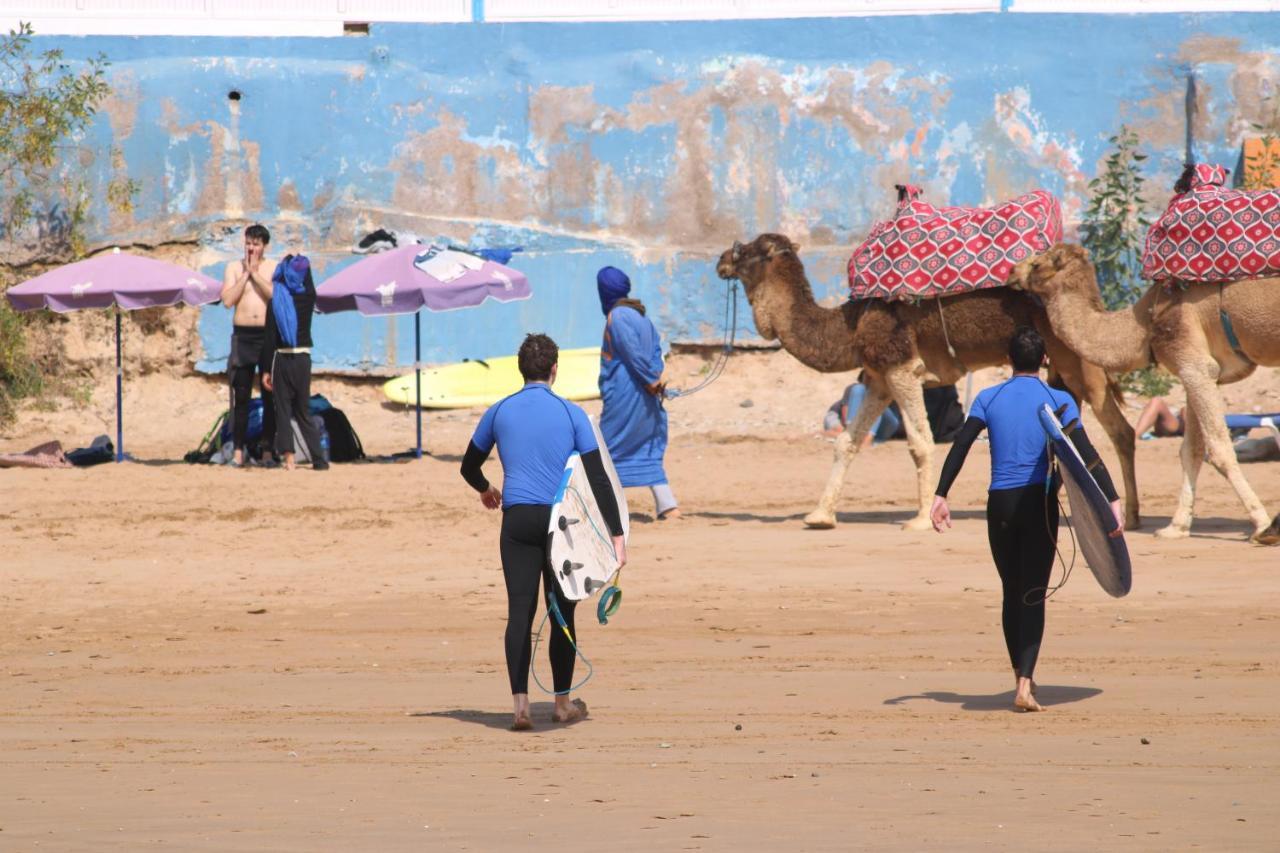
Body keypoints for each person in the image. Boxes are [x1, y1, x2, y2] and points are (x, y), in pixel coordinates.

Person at [929, 327, 1124, 713]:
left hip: (998, 506)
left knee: (1010, 590)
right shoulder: (1058, 399)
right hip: (1039, 504)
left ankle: (1020, 672)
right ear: (1045, 360)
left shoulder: (988, 397)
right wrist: (1112, 502)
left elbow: (961, 444)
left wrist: (941, 494)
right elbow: (1086, 454)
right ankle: (1024, 685)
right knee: (1033, 593)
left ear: (1007, 359)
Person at [460, 334, 626, 731]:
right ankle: (561, 705)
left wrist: (487, 490)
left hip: (516, 521)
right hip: (560, 526)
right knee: (562, 611)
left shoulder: (498, 411)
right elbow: (599, 479)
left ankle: (520, 708)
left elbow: (468, 466)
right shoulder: (571, 414)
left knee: (520, 613)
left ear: (522, 370)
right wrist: (616, 537)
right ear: (554, 369)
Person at [596, 266, 681, 519]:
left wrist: (649, 381)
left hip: (626, 396)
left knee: (607, 449)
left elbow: (632, 353)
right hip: (645, 395)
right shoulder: (642, 317)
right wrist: (655, 380)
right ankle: (668, 506)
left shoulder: (618, 316)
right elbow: (655, 353)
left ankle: (601, 509)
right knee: (644, 448)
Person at [261, 253, 327, 471]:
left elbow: (269, 338)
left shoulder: (276, 302)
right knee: (302, 411)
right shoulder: (308, 298)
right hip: (303, 359)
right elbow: (309, 283)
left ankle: (289, 458)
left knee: (282, 409)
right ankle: (319, 459)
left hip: (282, 358)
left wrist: (264, 370)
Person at [219, 223, 277, 467]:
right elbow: (228, 300)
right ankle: (239, 451)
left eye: (256, 244)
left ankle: (266, 450)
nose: (251, 248)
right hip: (242, 336)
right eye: (248, 243)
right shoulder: (233, 267)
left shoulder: (273, 267)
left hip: (267, 336)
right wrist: (245, 274)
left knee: (269, 395)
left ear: (264, 246)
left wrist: (256, 273)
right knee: (241, 395)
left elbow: (274, 295)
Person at [821, 375, 901, 445]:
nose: (871, 380)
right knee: (840, 430)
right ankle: (850, 438)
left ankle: (853, 438)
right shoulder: (855, 388)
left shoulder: (889, 392)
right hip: (837, 416)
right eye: (868, 377)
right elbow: (845, 415)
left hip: (876, 424)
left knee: (876, 403)